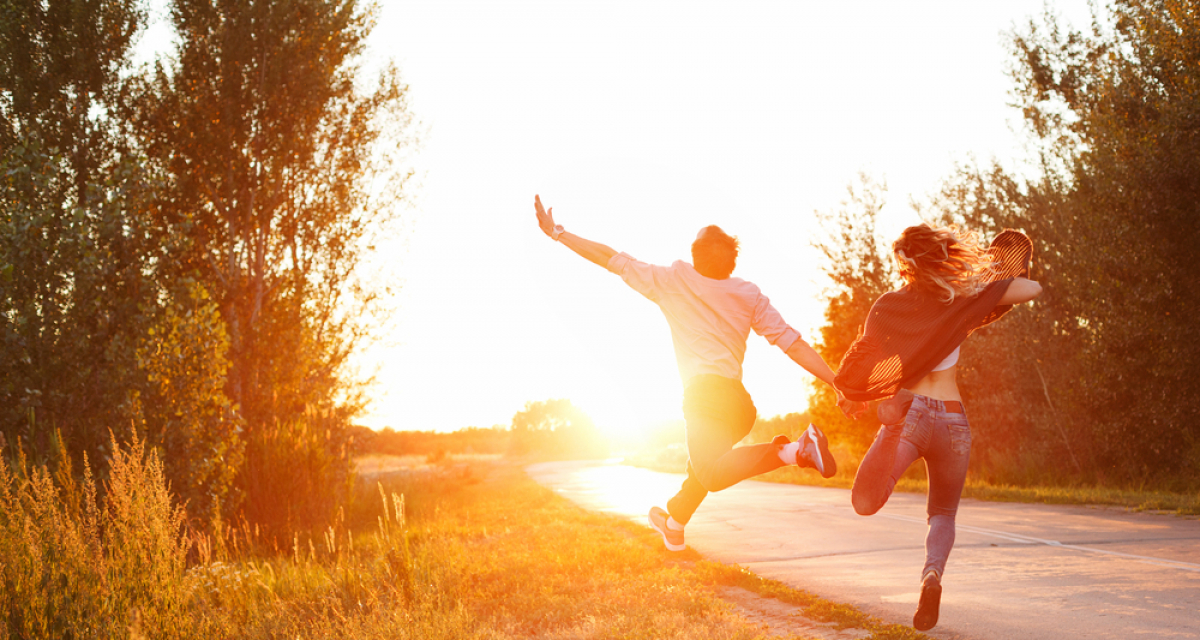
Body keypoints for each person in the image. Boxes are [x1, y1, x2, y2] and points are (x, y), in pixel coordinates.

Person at [533, 194, 845, 552]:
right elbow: (791, 342)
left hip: (703, 398)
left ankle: (795, 451)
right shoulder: (748, 294)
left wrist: (558, 233)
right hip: (740, 406)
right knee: (704, 464)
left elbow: (608, 257)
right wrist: (836, 382)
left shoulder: (672, 280)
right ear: (732, 257)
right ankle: (675, 522)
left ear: (694, 254)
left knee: (710, 472)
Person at [834, 223, 1042, 631]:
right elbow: (1029, 291)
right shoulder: (962, 299)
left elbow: (866, 357)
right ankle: (932, 576)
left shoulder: (888, 306)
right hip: (952, 418)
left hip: (910, 411)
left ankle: (891, 428)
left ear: (904, 265)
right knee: (942, 514)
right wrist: (992, 280)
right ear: (941, 255)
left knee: (865, 501)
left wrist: (853, 394)